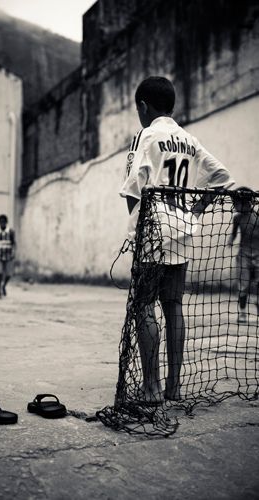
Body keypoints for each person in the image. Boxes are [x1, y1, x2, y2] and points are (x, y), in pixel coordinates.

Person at [119, 76, 234, 404]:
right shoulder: (189, 140)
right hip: (183, 229)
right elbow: (222, 179)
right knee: (174, 307)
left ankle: (151, 387)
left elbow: (133, 187)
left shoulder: (146, 134)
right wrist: (195, 212)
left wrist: (138, 228)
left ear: (143, 106)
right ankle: (174, 387)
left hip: (153, 229)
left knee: (143, 305)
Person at [228, 188, 259, 323]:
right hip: (243, 255)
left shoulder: (257, 218)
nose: (234, 206)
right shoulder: (238, 218)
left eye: (236, 203)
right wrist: (231, 239)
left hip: (258, 255)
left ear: (245, 202)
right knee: (243, 285)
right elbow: (234, 233)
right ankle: (242, 312)